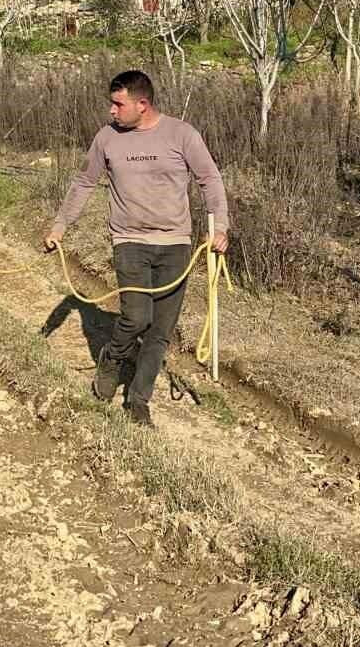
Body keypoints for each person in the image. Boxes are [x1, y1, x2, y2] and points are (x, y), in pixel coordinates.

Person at [45, 70, 228, 427]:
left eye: (118, 104)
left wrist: (220, 226)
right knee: (136, 317)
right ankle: (111, 361)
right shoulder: (107, 138)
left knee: (161, 330)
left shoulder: (181, 134)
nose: (112, 111)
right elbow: (84, 182)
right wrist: (60, 226)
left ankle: (138, 400)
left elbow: (210, 179)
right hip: (129, 241)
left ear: (142, 105)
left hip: (175, 245)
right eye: (112, 104)